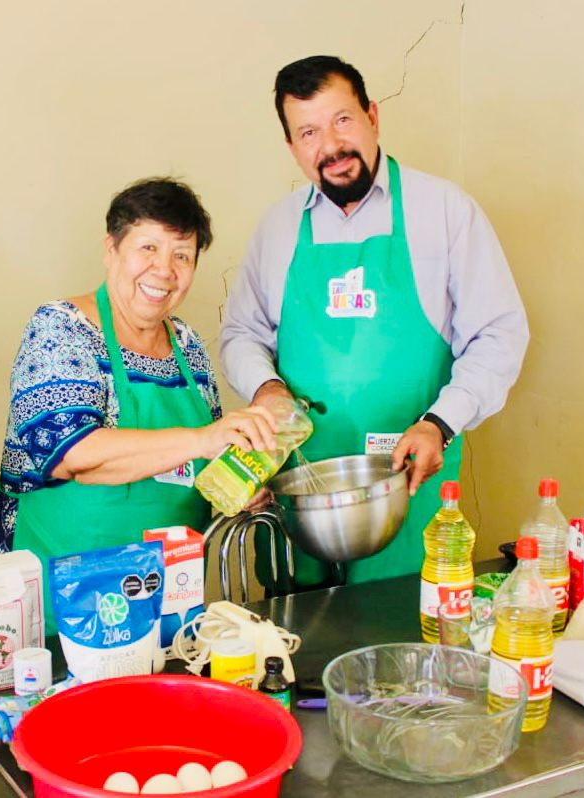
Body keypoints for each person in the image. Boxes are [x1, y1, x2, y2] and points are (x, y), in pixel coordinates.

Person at [220, 55, 528, 590]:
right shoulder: (277, 228)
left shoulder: (445, 212)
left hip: (410, 484)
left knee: (399, 643)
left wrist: (440, 424)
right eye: (309, 132)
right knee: (294, 647)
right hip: (299, 491)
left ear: (373, 116)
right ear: (292, 147)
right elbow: (241, 332)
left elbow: (499, 334)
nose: (331, 146)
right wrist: (266, 387)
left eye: (343, 120)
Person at [0, 178, 277, 632]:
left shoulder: (187, 345)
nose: (165, 270)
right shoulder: (62, 328)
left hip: (160, 600)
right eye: (148, 248)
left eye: (182, 256)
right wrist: (204, 439)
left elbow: (191, 463)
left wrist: (237, 480)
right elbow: (74, 455)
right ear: (111, 249)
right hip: (52, 602)